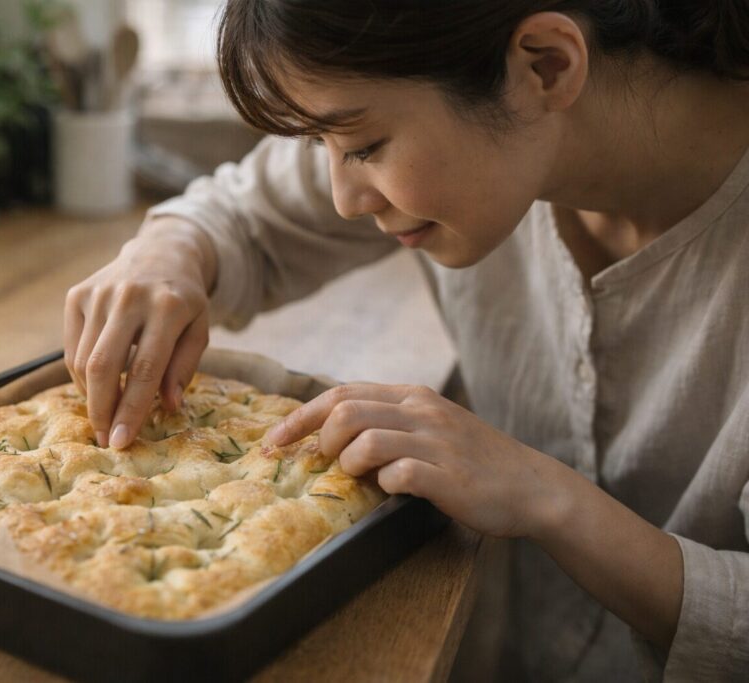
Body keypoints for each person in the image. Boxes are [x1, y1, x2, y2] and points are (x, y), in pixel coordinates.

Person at [62, 1, 749, 679]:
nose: (343, 197)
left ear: (546, 66)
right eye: (321, 147)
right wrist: (168, 249)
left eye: (362, 148)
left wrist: (547, 495)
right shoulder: (480, 130)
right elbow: (236, 214)